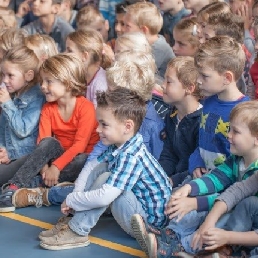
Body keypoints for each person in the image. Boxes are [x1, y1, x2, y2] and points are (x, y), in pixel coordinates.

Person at [131, 36, 250, 257]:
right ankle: (167, 233)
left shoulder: (244, 112)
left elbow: (237, 162)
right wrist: (196, 163)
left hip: (224, 182)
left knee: (193, 208)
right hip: (201, 175)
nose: (200, 81)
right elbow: (201, 144)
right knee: (176, 197)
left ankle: (172, 242)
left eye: (204, 76)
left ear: (227, 78)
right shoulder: (208, 103)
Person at [10, 50, 165, 211]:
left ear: (129, 96)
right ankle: (24, 186)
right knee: (88, 180)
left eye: (111, 91)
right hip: (106, 171)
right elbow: (97, 153)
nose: (106, 94)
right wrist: (81, 177)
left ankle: (45, 195)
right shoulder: (114, 117)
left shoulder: (151, 125)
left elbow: (156, 165)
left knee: (96, 188)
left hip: (127, 185)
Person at [38, 87, 172, 251]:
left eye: (104, 124)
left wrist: (73, 200)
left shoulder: (131, 155)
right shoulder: (122, 143)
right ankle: (73, 220)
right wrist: (76, 195)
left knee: (106, 181)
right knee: (102, 169)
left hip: (147, 225)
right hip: (135, 208)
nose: (97, 129)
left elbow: (104, 197)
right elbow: (92, 167)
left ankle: (78, 231)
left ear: (127, 126)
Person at [0, 53, 99, 213]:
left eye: (48, 82)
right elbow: (43, 142)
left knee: (83, 160)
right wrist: (46, 168)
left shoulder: (85, 107)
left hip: (76, 160)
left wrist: (56, 167)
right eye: (42, 82)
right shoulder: (48, 108)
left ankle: (36, 184)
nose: (43, 87)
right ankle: (14, 187)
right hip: (57, 159)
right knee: (48, 142)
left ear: (67, 83)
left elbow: (80, 145)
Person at [179, 101, 258, 257]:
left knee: (232, 210)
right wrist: (190, 189)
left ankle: (184, 247)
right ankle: (179, 239)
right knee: (194, 193)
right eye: (229, 129)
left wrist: (227, 236)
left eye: (235, 131)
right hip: (243, 222)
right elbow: (233, 191)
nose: (228, 135)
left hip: (247, 230)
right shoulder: (236, 159)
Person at [0, 46, 45, 186]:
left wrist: (7, 103)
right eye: (3, 75)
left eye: (10, 75)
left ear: (29, 75)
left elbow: (23, 129)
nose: (5, 80)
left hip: (24, 157)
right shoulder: (12, 95)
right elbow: (3, 128)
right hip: (9, 155)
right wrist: (2, 149)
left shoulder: (37, 97)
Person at [158, 56, 202, 188]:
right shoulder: (172, 115)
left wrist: (173, 181)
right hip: (171, 180)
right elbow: (169, 153)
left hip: (188, 183)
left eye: (169, 81)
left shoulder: (200, 122)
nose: (162, 85)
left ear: (189, 88)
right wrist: (160, 175)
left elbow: (197, 164)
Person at [123, 1, 175, 78]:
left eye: (127, 26)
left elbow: (137, 73)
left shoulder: (159, 48)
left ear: (144, 30)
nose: (123, 29)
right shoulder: (144, 44)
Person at [66, 29, 110, 108]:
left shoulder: (101, 84)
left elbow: (97, 118)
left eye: (69, 51)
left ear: (84, 56)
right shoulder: (77, 76)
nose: (64, 54)